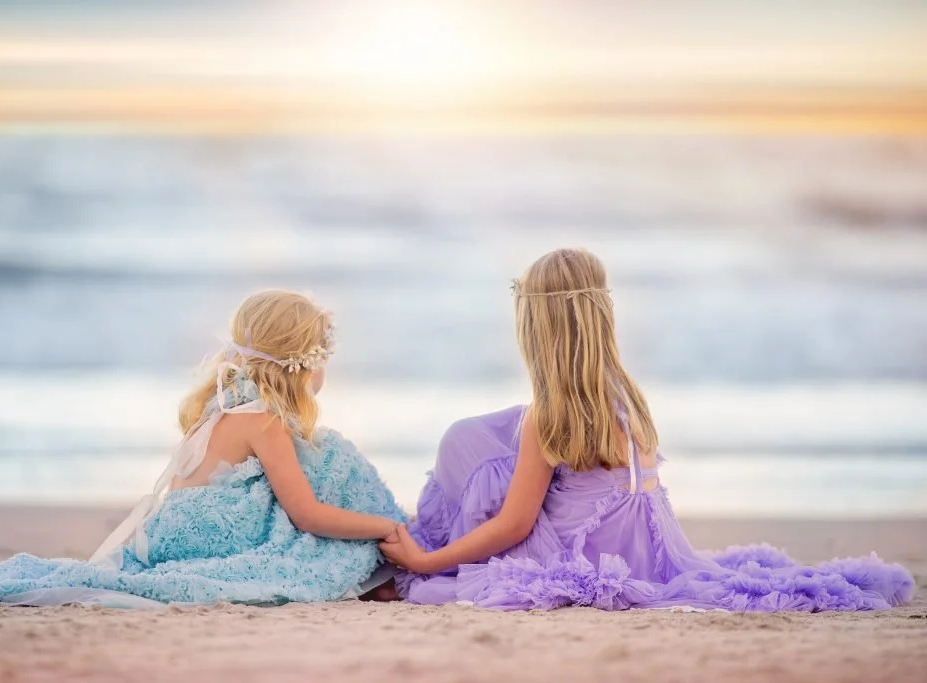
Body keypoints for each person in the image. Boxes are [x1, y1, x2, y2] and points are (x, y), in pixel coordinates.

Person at [380, 248, 914, 612]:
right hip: (646, 558)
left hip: (580, 559)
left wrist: (428, 563)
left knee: (463, 455)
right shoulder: (626, 397)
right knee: (476, 434)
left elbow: (515, 526)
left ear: (534, 328)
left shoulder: (550, 416)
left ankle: (426, 544)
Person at [0, 290, 407, 608]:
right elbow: (305, 513)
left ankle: (379, 566)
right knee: (333, 465)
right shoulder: (265, 419)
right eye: (324, 358)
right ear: (305, 363)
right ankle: (392, 559)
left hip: (165, 534)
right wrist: (380, 525)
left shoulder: (222, 405)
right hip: (203, 534)